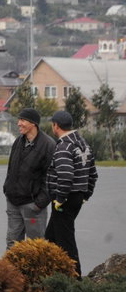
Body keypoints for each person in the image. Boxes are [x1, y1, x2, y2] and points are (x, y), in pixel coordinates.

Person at [44, 109, 98, 275]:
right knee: (50, 238)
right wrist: (86, 195)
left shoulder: (63, 147)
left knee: (66, 241)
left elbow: (65, 175)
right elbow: (93, 174)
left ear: (56, 126)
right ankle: (50, 276)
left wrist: (60, 198)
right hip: (77, 197)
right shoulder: (83, 144)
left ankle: (75, 281)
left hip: (64, 200)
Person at [2, 107, 55, 248]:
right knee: (12, 244)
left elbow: (51, 178)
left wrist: (39, 203)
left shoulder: (48, 145)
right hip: (13, 202)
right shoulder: (18, 142)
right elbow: (11, 169)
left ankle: (35, 271)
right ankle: (12, 271)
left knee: (35, 246)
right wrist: (7, 189)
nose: (18, 123)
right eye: (19, 120)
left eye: (22, 120)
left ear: (33, 124)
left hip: (33, 205)